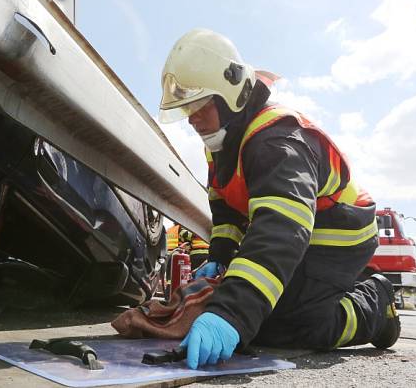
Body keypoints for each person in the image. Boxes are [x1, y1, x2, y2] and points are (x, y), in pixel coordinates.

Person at [158, 28, 399, 369]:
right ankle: (320, 292)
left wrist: (230, 313)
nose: (192, 117)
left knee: (284, 325)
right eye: (186, 107)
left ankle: (376, 304)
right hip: (301, 227)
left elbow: (283, 230)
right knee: (258, 311)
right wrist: (221, 256)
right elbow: (225, 206)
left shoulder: (276, 142)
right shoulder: (221, 143)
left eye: (199, 104)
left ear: (230, 96)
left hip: (338, 233)